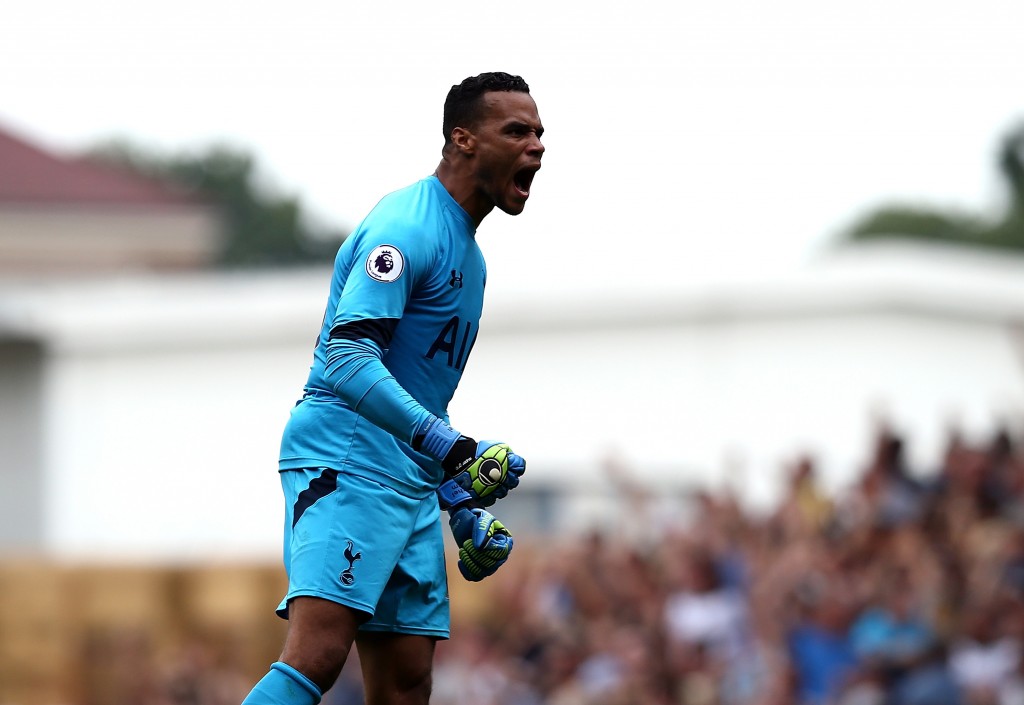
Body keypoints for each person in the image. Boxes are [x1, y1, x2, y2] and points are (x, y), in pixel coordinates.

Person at [240, 71, 545, 705]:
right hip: (347, 459)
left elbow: (417, 393)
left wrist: (458, 497)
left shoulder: (473, 257)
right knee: (318, 655)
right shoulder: (404, 228)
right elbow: (348, 360)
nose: (536, 145)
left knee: (407, 681)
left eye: (540, 133)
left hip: (405, 478)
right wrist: (456, 449)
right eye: (516, 131)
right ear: (462, 139)